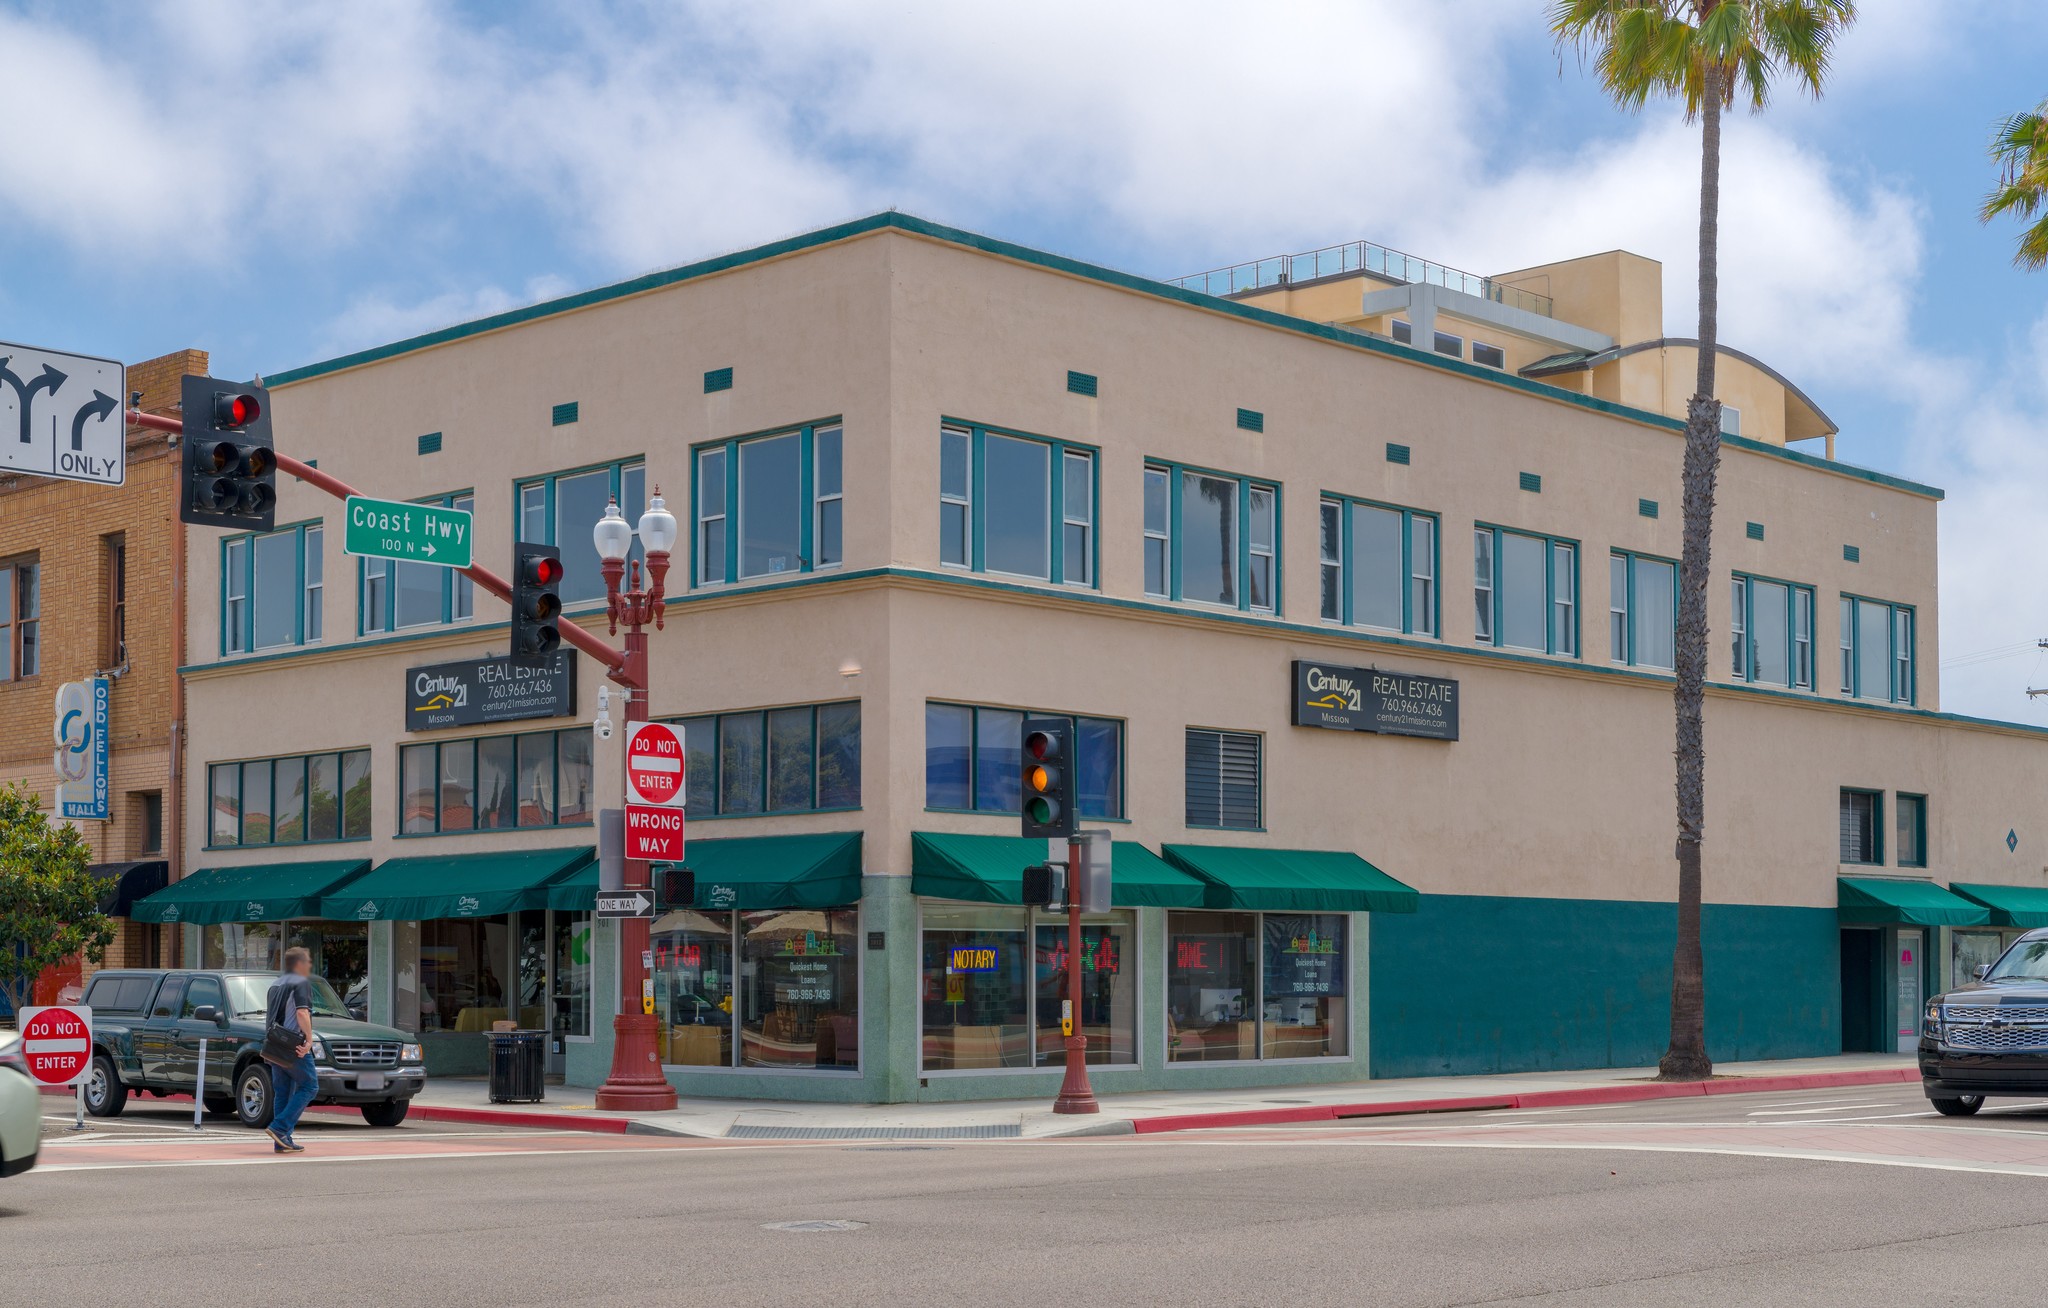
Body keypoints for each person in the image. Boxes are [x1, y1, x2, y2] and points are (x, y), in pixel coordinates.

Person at [264, 947, 318, 1153]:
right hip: (293, 1045)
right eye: (307, 962)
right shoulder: (300, 982)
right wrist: (310, 1040)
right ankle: (279, 1128)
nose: (309, 966)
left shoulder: (276, 984)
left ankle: (281, 1141)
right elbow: (302, 1013)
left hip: (273, 1045)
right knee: (310, 1086)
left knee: (283, 1091)